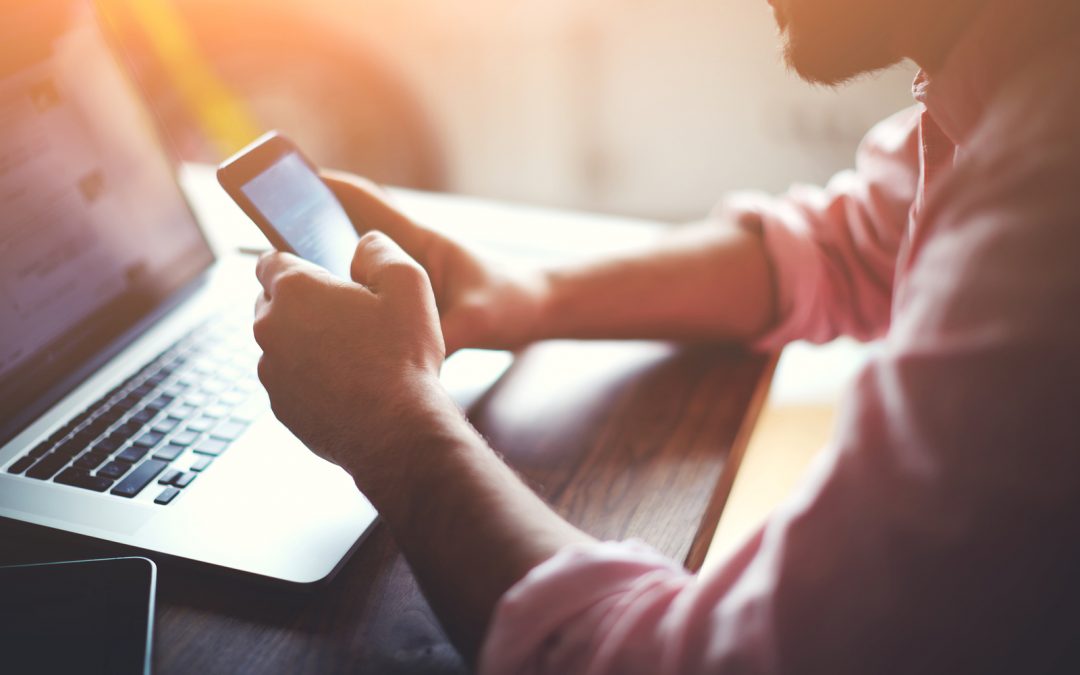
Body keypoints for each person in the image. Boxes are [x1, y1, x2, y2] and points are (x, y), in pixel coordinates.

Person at [251, 0, 1080, 671]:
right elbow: (855, 242)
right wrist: (522, 293)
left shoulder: (1050, 193)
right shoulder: (1020, 71)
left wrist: (395, 428)